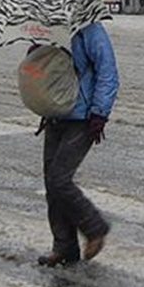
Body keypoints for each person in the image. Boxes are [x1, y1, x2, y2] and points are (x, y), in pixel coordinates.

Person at [37, 22, 117, 267]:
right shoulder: (47, 27)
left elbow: (108, 71)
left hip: (83, 118)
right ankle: (64, 247)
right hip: (54, 113)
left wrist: (99, 112)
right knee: (52, 183)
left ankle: (95, 228)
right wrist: (35, 54)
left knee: (60, 179)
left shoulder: (89, 29)